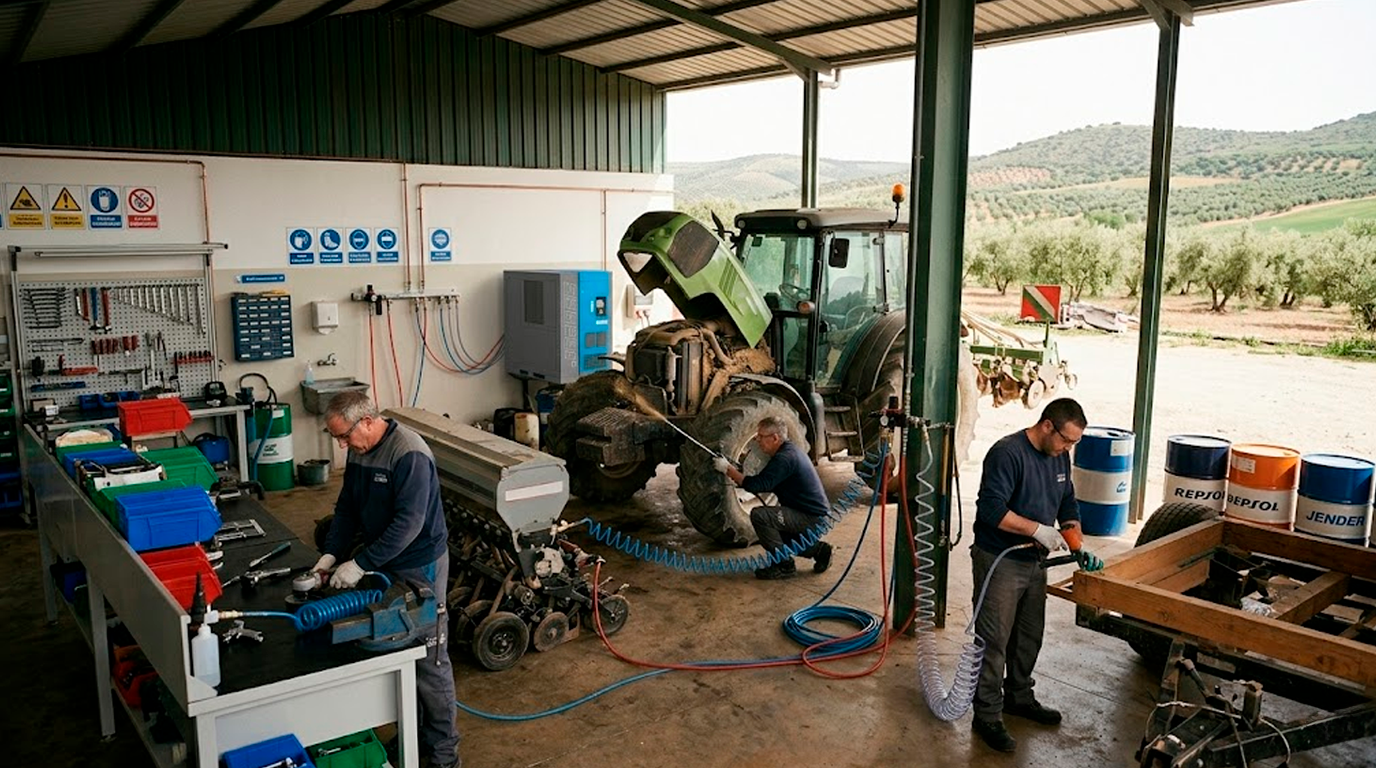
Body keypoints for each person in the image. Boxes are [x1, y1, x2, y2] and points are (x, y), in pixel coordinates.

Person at [312, 391, 460, 768]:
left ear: (366, 420)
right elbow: (346, 508)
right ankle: (412, 739)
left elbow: (408, 525)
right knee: (396, 652)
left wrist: (360, 563)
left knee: (429, 661)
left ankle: (444, 757)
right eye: (337, 439)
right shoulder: (360, 451)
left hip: (419, 565)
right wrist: (331, 554)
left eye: (344, 436)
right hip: (384, 563)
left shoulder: (408, 453)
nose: (342, 445)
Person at [969, 397, 1103, 754]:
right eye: (1066, 440)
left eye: (1074, 442)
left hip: (1035, 564)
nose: (1068, 448)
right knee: (993, 640)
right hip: (1000, 559)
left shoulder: (1060, 456)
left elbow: (1067, 504)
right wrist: (1037, 530)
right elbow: (991, 510)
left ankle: (1019, 697)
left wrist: (1077, 544)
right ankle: (986, 714)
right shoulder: (1007, 454)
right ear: (1047, 426)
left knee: (1028, 635)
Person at [715, 416, 833, 580]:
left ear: (775, 438)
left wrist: (728, 470)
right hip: (806, 514)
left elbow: (758, 485)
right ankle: (820, 551)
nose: (757, 440)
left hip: (810, 517)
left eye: (761, 436)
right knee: (777, 536)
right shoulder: (788, 451)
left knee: (761, 516)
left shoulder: (784, 458)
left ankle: (784, 566)